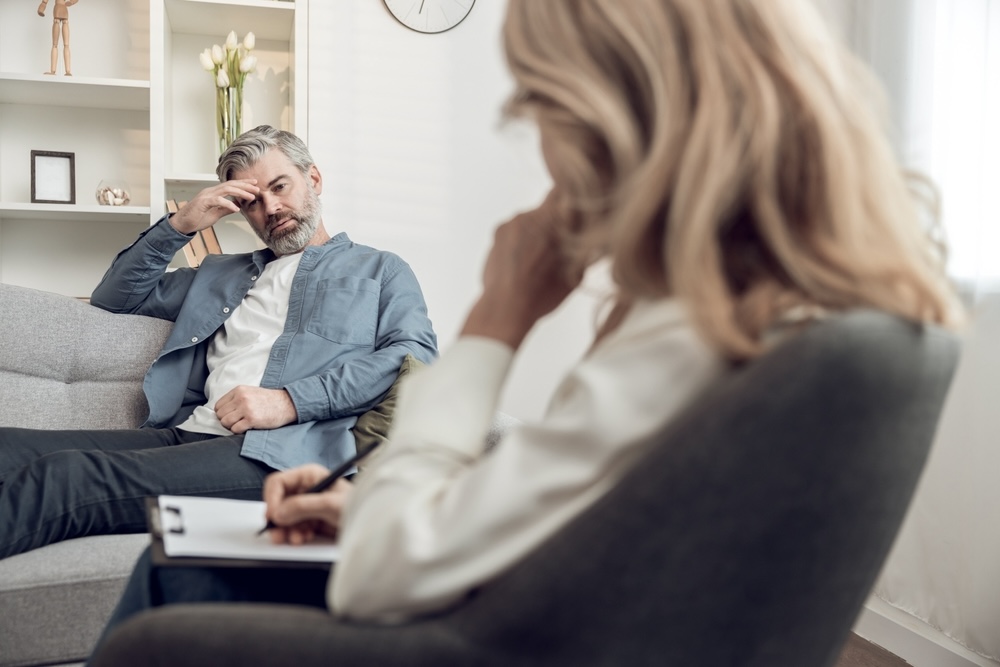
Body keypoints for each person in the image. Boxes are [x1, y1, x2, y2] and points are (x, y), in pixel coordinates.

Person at [89, 0, 962, 660]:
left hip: (475, 625)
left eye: (544, 108)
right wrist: (375, 509)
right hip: (506, 580)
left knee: (161, 578)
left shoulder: (691, 331)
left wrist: (496, 324)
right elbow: (605, 509)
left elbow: (388, 554)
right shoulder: (819, 308)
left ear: (629, 116)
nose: (544, 151)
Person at [0, 124, 438, 560]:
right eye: (251, 202)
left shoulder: (380, 270)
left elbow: (412, 357)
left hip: (277, 457)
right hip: (187, 434)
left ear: (314, 179)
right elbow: (114, 298)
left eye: (280, 186)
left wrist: (289, 401)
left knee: (66, 477)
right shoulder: (220, 272)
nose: (271, 207)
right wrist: (182, 223)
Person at [37, 0, 77, 76]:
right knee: (56, 44)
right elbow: (44, 2)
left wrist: (71, 2)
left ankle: (67, 71)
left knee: (65, 44)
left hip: (63, 11)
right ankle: (53, 71)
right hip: (58, 11)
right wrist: (41, 8)